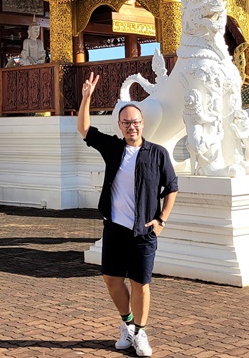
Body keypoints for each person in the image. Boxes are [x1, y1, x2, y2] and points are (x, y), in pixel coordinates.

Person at [77, 72, 178, 357]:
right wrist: (86, 98)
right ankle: (128, 324)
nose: (131, 126)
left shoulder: (157, 153)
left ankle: (141, 333)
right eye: (126, 123)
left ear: (142, 124)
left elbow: (172, 187)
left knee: (140, 284)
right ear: (120, 126)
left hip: (144, 231)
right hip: (115, 228)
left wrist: (162, 220)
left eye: (135, 122)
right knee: (111, 279)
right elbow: (84, 128)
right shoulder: (113, 148)